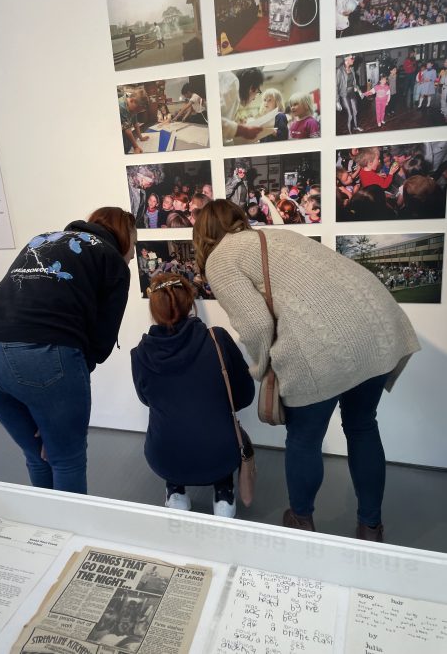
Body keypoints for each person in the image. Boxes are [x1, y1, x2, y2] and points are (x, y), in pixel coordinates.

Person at [193, 200, 420, 541]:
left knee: (304, 439)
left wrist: (261, 367)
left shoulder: (220, 258)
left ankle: (301, 521)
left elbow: (255, 325)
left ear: (202, 235)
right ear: (238, 219)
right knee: (362, 427)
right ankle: (371, 526)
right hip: (377, 328)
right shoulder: (273, 236)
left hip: (323, 345)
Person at [0, 207, 136, 494]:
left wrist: (49, 407)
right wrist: (56, 396)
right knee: (67, 460)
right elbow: (101, 343)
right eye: (134, 243)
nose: (132, 253)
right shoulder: (110, 258)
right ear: (125, 236)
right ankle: (70, 535)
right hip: (40, 354)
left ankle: (46, 534)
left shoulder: (42, 239)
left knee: (36, 455)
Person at [131, 273, 255, 517]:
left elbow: (146, 399)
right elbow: (244, 395)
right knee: (215, 436)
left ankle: (175, 491)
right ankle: (224, 492)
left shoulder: (140, 353)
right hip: (220, 454)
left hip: (165, 456)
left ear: (154, 309)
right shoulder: (217, 339)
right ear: (191, 302)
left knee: (171, 429)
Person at [219, 68, 264, 144]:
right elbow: (214, 121)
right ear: (252, 88)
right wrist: (244, 131)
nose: (255, 98)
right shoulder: (233, 82)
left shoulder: (234, 94)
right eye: (258, 92)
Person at [336, 54, 364, 134]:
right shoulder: (339, 70)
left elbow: (354, 83)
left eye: (354, 58)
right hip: (344, 95)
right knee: (350, 115)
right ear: (346, 60)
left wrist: (359, 91)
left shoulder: (352, 69)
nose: (353, 59)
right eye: (352, 58)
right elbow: (336, 86)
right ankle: (350, 132)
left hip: (352, 93)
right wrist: (337, 101)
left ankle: (355, 126)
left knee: (355, 112)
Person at [119, 90, 149, 154]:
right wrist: (136, 147)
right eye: (137, 110)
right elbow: (128, 130)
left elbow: (135, 123)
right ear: (132, 100)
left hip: (125, 129)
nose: (136, 112)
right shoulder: (121, 106)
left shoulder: (134, 107)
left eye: (138, 111)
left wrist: (141, 137)